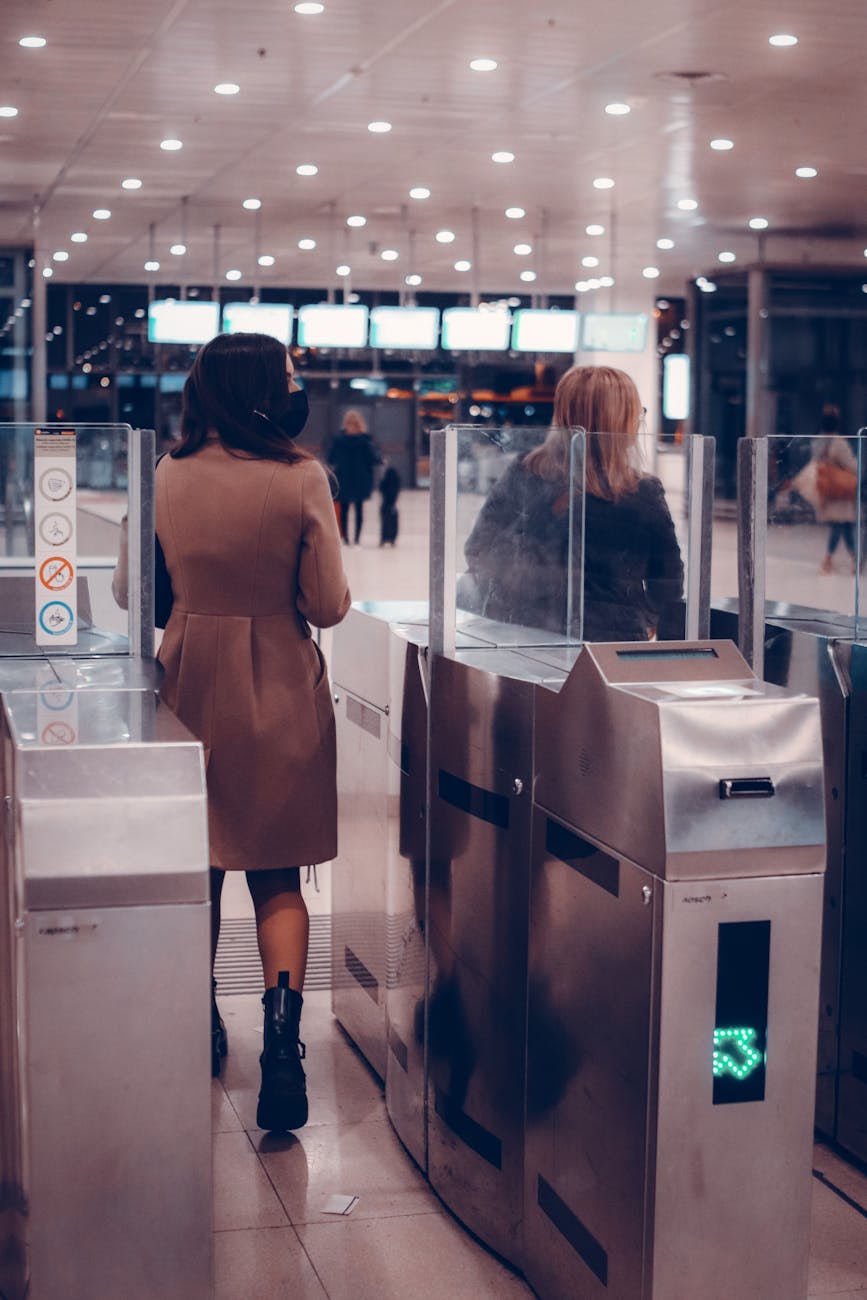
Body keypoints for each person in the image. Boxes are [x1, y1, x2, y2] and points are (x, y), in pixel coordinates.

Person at [116, 332, 350, 1132]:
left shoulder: (168, 474)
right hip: (279, 687)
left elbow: (125, 587)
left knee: (202, 869)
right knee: (276, 875)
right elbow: (326, 606)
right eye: (288, 377)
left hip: (186, 685)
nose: (296, 388)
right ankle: (282, 1050)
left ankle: (200, 1021)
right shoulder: (301, 478)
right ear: (261, 390)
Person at [463, 365, 684, 641]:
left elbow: (479, 549)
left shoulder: (525, 472)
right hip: (609, 646)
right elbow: (667, 582)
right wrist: (643, 617)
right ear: (622, 420)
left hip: (527, 635)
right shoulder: (640, 491)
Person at [813, 406, 858, 574]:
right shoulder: (839, 443)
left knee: (844, 525)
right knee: (840, 525)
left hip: (828, 489)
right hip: (841, 491)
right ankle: (829, 559)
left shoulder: (817, 441)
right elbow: (852, 465)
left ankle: (853, 558)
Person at [328, 409, 382, 544]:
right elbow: (373, 459)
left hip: (343, 477)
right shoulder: (365, 440)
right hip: (361, 478)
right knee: (359, 509)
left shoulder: (338, 440)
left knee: (344, 510)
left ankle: (346, 539)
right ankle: (357, 539)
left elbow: (331, 458)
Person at [379, 464, 401, 545]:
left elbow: (381, 489)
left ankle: (384, 538)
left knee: (385, 523)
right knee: (392, 523)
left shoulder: (384, 481)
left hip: (385, 505)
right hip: (392, 505)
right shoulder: (396, 483)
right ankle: (391, 538)